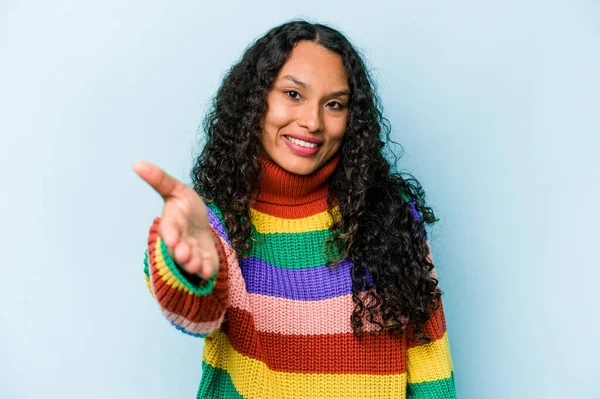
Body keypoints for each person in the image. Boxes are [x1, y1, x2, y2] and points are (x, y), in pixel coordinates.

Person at [133, 20, 456, 399]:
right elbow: (194, 314)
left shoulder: (392, 218)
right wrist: (185, 262)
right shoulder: (216, 225)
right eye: (293, 94)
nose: (312, 122)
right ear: (256, 100)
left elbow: (430, 363)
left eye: (334, 104)